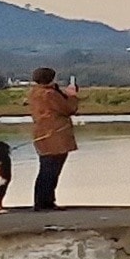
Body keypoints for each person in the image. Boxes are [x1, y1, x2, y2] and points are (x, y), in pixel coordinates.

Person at [27, 67, 79, 211]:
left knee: (46, 169)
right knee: (51, 170)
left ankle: (43, 201)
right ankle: (44, 202)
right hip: (55, 134)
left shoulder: (35, 92)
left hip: (41, 134)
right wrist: (72, 95)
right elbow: (69, 109)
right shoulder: (49, 94)